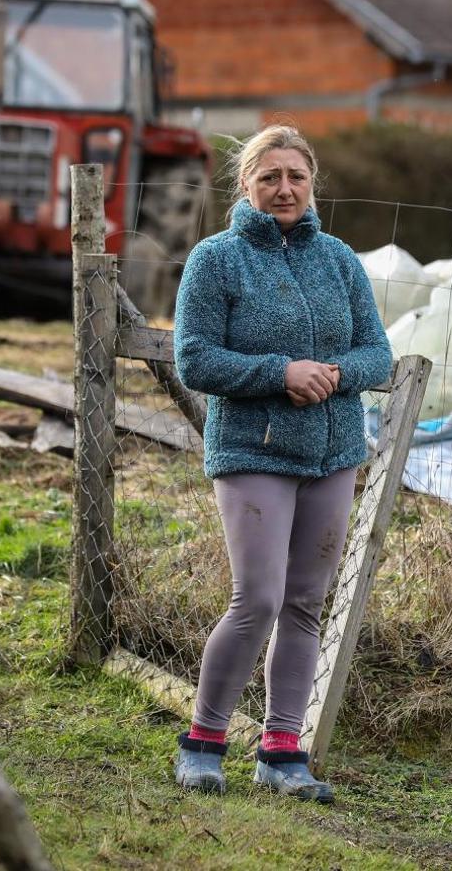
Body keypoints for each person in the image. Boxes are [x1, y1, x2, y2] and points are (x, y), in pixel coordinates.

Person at [170, 124, 392, 803]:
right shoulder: (217, 260)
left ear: (312, 182)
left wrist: (330, 372)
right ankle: (204, 743)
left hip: (331, 454)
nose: (284, 189)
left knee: (304, 604)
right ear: (246, 186)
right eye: (269, 177)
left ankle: (281, 751)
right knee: (258, 598)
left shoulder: (340, 262)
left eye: (295, 176)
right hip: (252, 448)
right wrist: (279, 373)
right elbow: (195, 357)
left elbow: (377, 355)